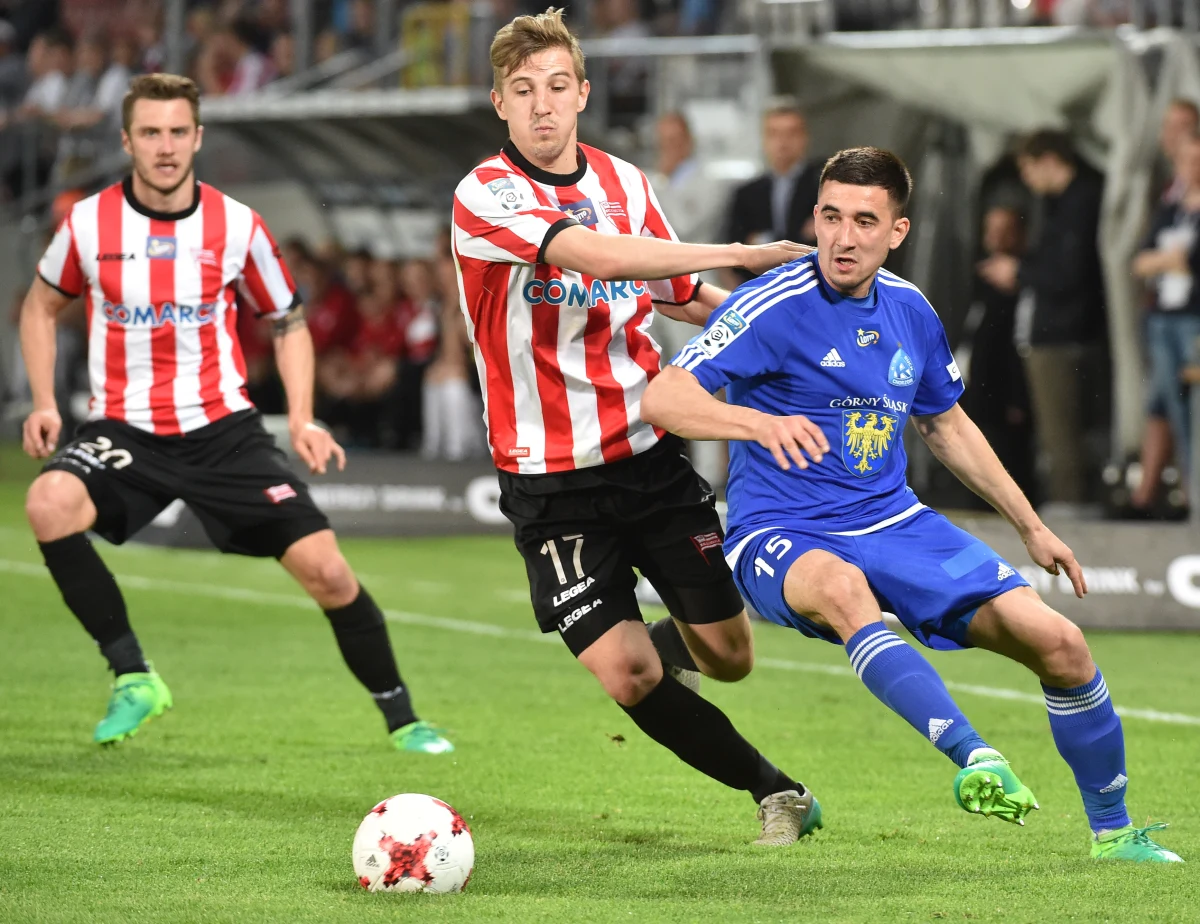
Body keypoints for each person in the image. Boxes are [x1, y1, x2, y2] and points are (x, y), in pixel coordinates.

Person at [641, 147, 1181, 863]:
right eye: (830, 217)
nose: (843, 238)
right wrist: (759, 425)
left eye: (865, 221)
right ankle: (974, 756)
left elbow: (945, 425)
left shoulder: (910, 309)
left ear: (897, 230)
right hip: (781, 527)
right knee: (843, 589)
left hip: (894, 520)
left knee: (1061, 644)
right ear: (814, 218)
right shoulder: (770, 302)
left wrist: (1031, 526)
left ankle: (1114, 833)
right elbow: (665, 398)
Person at [452, 7, 820, 846]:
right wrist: (743, 253)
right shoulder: (487, 194)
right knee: (625, 675)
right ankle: (778, 793)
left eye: (557, 86)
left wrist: (775, 340)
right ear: (501, 104)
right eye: (523, 90)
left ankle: (668, 646)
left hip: (649, 458)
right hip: (549, 483)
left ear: (583, 93)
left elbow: (678, 295)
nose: (542, 104)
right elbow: (600, 257)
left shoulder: (624, 182)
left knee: (729, 656)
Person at [20, 74, 451, 756]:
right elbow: (41, 306)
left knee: (328, 571)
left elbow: (288, 319)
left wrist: (303, 417)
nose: (165, 147)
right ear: (128, 140)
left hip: (222, 432)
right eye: (151, 133)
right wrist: (45, 400)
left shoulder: (236, 224)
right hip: (124, 431)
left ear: (198, 137)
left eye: (177, 132)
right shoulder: (88, 223)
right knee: (48, 503)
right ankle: (133, 675)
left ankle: (405, 718)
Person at [979, 130, 1107, 511]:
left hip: (1061, 335)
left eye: (1029, 168)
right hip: (1058, 331)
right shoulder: (1060, 206)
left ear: (1050, 161)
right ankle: (1068, 500)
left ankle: (1070, 506)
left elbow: (1068, 273)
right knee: (1058, 432)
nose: (1027, 179)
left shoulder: (1079, 204)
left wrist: (1019, 271)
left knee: (1061, 431)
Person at [1131, 131, 1200, 495]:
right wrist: (1171, 261)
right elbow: (1140, 262)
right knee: (1166, 404)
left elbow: (1189, 262)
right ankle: (1177, 488)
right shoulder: (1171, 209)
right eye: (1185, 160)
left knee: (1189, 407)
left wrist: (1168, 261)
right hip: (1163, 318)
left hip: (1192, 319)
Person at [724, 100, 820, 287]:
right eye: (774, 134)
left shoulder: (824, 187)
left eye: (791, 133)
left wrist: (762, 243)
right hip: (759, 288)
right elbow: (735, 251)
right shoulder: (746, 194)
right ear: (764, 139)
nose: (783, 142)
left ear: (805, 137)